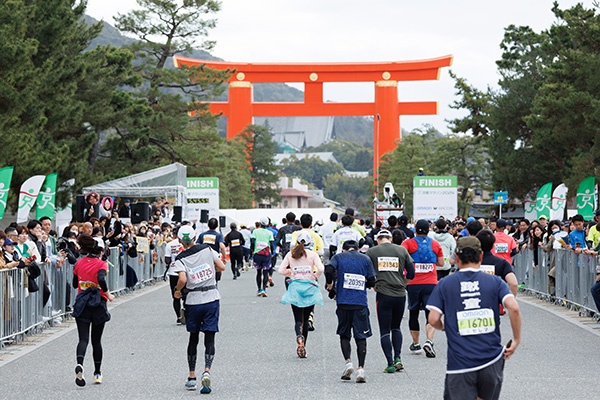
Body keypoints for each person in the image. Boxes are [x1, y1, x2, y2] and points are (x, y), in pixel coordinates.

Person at [427, 237, 522, 400]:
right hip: (491, 359)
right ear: (480, 257)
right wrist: (516, 339)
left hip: (460, 363)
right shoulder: (495, 282)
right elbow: (513, 307)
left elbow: (433, 318)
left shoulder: (445, 283)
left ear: (456, 258)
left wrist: (444, 326)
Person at [172, 225, 226, 394]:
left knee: (193, 337)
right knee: (209, 336)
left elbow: (182, 278)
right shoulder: (207, 249)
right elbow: (221, 267)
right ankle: (207, 371)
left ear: (180, 240)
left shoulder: (180, 258)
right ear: (195, 237)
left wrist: (177, 291)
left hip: (193, 301)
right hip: (211, 297)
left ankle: (191, 377)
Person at [325, 240, 376, 383]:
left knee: (344, 334)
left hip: (343, 302)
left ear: (343, 249)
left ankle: (348, 362)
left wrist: (330, 287)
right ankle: (361, 369)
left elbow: (329, 270)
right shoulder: (365, 258)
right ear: (358, 249)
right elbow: (372, 281)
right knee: (361, 337)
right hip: (360, 304)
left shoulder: (339, 257)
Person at [365, 229, 415, 373]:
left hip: (383, 294)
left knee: (384, 330)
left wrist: (374, 285)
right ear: (391, 238)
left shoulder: (372, 252)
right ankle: (398, 357)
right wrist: (403, 283)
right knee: (396, 327)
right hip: (400, 295)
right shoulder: (402, 250)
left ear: (378, 239)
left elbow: (367, 272)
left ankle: (390, 363)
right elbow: (411, 273)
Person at [72, 234, 115, 386]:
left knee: (83, 339)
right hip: (98, 303)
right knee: (96, 341)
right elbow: (102, 278)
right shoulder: (101, 264)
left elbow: (75, 284)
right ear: (100, 251)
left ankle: (80, 364)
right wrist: (108, 293)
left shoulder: (79, 263)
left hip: (82, 303)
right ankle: (97, 373)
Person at [401, 219, 444, 358]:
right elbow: (442, 263)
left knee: (413, 312)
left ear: (415, 228)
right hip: (431, 283)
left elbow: (401, 259)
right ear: (429, 229)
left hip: (413, 283)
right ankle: (429, 341)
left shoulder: (408, 243)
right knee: (429, 313)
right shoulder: (435, 244)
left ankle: (416, 343)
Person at [278, 231, 324, 358]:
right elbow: (321, 269)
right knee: (306, 317)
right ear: (310, 243)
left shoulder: (290, 254)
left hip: (295, 288)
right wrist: (315, 276)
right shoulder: (313, 255)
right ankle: (303, 345)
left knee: (298, 319)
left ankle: (299, 337)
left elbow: (280, 270)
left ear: (297, 242)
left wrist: (291, 272)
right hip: (309, 287)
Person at [476, 229, 519, 296]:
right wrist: (509, 301)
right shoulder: (503, 263)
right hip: (495, 302)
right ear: (493, 246)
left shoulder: (469, 263)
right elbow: (514, 284)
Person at [165, 229, 186, 324]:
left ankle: (178, 316)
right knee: (186, 294)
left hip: (173, 271)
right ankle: (187, 314)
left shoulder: (169, 244)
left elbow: (167, 259)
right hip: (185, 271)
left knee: (175, 295)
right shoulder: (185, 243)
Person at [251, 217, 275, 297]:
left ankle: (259, 289)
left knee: (258, 272)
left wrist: (252, 250)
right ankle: (264, 289)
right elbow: (271, 244)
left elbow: (253, 241)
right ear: (267, 224)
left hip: (257, 253)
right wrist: (272, 253)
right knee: (265, 272)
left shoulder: (255, 231)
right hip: (266, 254)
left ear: (260, 223)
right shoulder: (269, 233)